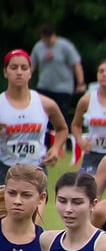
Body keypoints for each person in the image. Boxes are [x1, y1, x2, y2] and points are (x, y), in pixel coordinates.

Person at [2, 49, 68, 179]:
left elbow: (62, 129)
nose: (19, 72)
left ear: (30, 72)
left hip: (37, 169)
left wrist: (55, 149)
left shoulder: (46, 104)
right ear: (5, 72)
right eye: (14, 67)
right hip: (4, 169)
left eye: (24, 68)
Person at [30, 25, 84, 127]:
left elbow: (76, 64)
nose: (47, 42)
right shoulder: (38, 47)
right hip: (44, 86)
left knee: (61, 115)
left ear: (54, 35)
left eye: (49, 38)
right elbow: (32, 64)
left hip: (62, 88)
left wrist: (80, 82)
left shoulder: (65, 46)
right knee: (42, 115)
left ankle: (63, 139)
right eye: (44, 39)